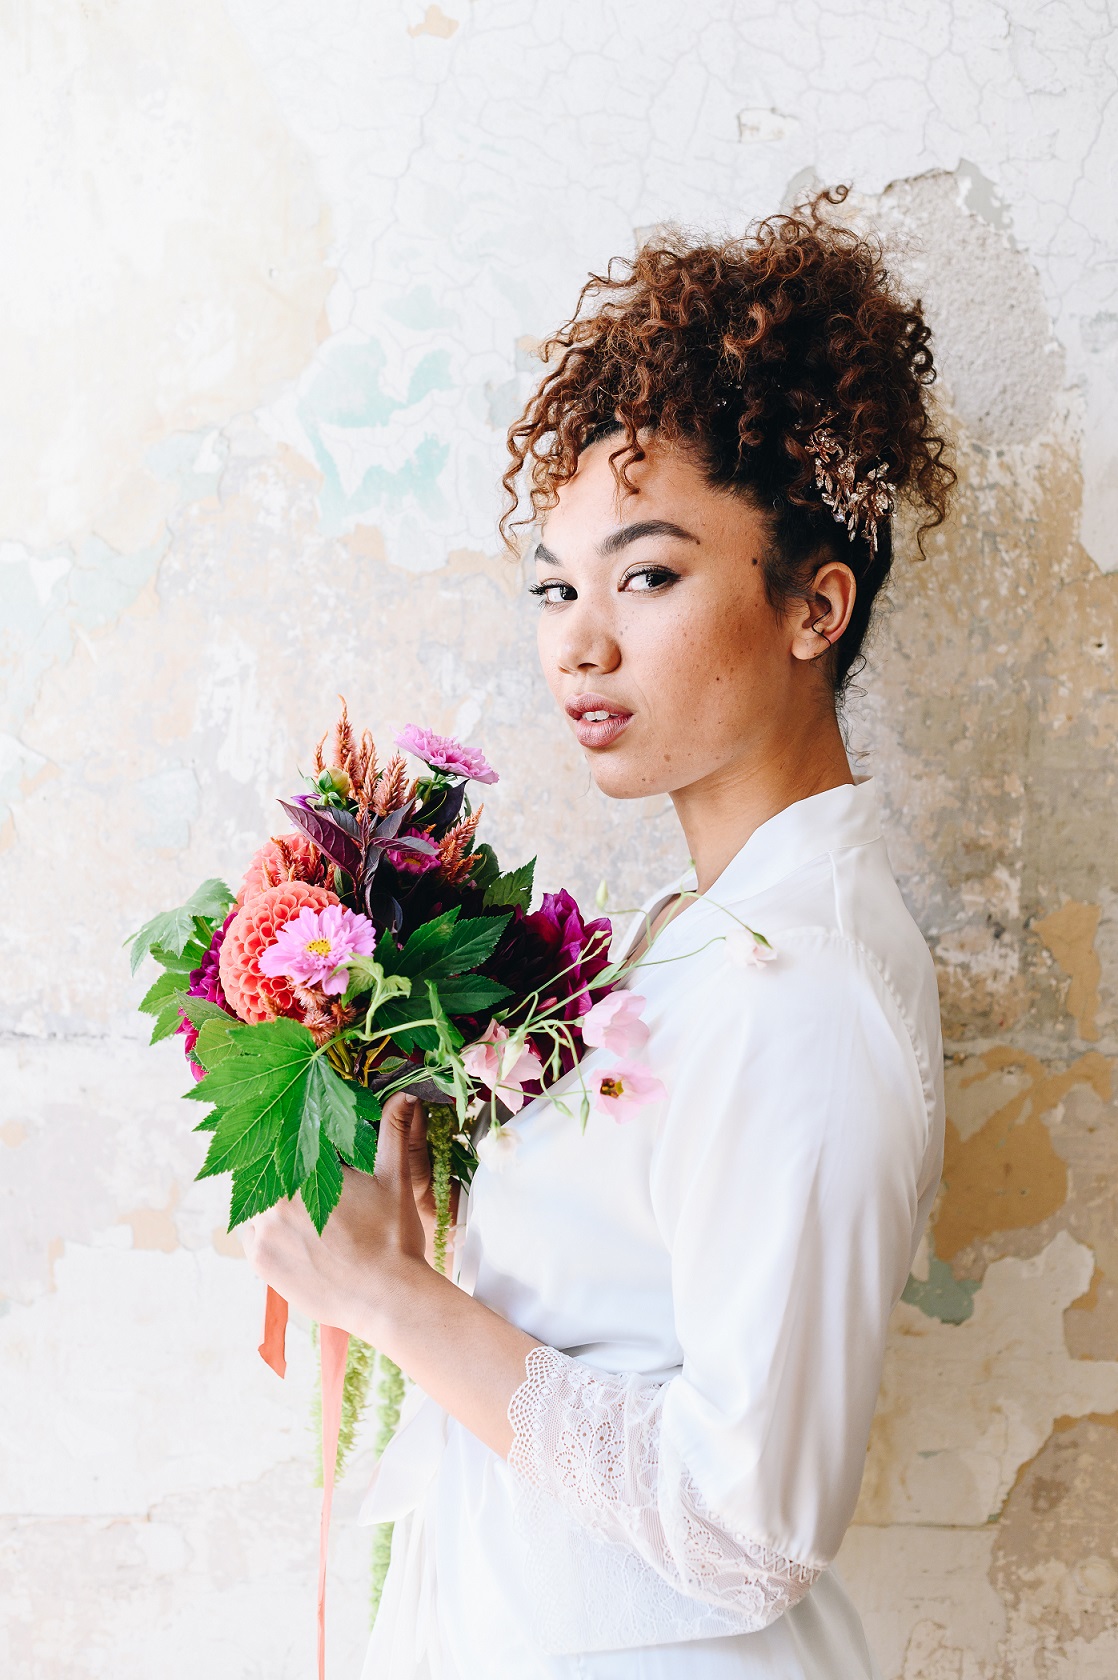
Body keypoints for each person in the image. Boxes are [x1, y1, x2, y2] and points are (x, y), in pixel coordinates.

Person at [241, 188, 956, 1678]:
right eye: (556, 584)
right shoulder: (683, 939)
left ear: (813, 604)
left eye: (646, 574)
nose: (578, 639)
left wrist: (386, 1294)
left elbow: (746, 1526)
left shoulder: (802, 987)